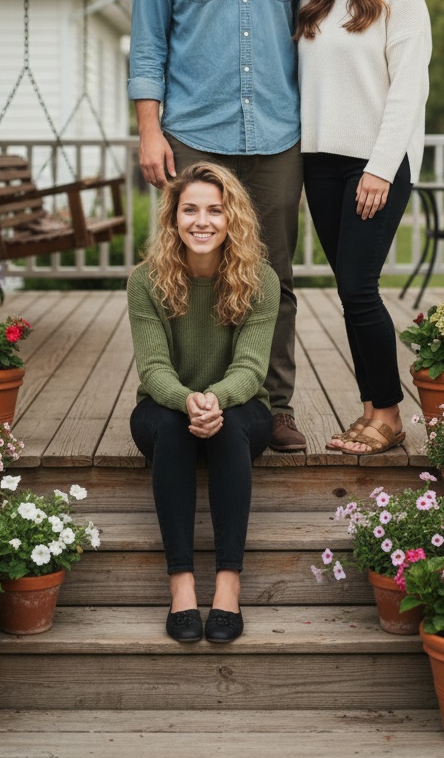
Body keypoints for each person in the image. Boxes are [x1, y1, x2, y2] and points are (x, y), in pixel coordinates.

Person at [128, 0, 312, 453]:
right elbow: (148, 41)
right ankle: (172, 392)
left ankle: (276, 404)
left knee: (275, 276)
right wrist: (150, 130)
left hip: (277, 134)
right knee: (181, 268)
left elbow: (317, 32)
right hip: (192, 134)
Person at [296, 0, 432, 456]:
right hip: (319, 161)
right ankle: (372, 409)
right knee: (350, 288)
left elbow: (408, 88)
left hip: (375, 162)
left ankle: (390, 417)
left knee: (358, 287)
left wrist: (380, 167)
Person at [128, 162, 278, 644]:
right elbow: (153, 371)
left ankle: (229, 587)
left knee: (232, 425)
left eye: (215, 210)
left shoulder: (261, 280)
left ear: (232, 218)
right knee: (171, 428)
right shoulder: (146, 281)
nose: (202, 221)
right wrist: (189, 400)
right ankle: (183, 587)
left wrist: (214, 400)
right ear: (173, 218)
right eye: (190, 209)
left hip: (240, 408)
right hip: (165, 405)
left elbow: (252, 370)